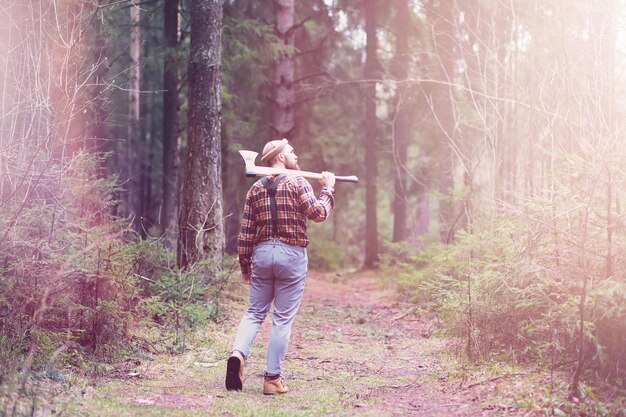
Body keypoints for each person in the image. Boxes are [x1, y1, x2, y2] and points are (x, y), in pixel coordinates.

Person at [226, 138, 336, 395]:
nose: (296, 155)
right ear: (281, 157)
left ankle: (237, 354)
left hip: (262, 255)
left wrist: (245, 266)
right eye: (292, 151)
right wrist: (328, 189)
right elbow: (318, 213)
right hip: (291, 255)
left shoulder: (255, 189)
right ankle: (272, 379)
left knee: (254, 313)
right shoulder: (299, 182)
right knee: (282, 319)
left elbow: (245, 234)